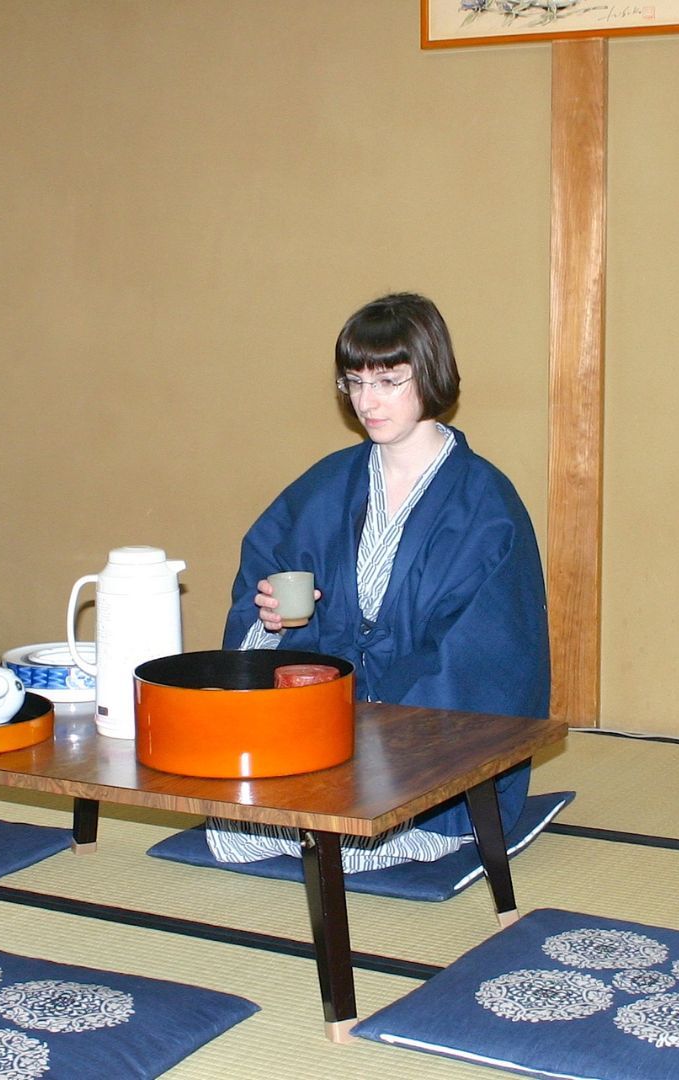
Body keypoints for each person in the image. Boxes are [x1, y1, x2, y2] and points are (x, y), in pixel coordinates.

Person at [205, 292, 551, 873]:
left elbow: (485, 657)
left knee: (354, 843)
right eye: (356, 383)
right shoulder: (326, 485)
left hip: (428, 745)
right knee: (233, 829)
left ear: (430, 374)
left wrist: (376, 738)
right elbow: (266, 574)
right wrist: (272, 623)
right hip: (326, 727)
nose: (368, 401)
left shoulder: (485, 504)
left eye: (389, 381)